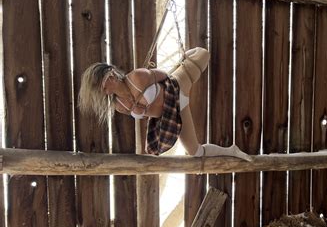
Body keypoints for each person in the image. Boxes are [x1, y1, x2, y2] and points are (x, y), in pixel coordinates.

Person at [78, 47, 251, 161]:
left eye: (101, 84)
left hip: (177, 89)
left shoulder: (137, 77)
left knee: (203, 54)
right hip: (173, 113)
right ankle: (232, 151)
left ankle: (185, 54)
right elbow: (149, 114)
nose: (101, 90)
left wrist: (182, 60)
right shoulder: (120, 106)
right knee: (195, 152)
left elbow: (165, 76)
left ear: (110, 77)